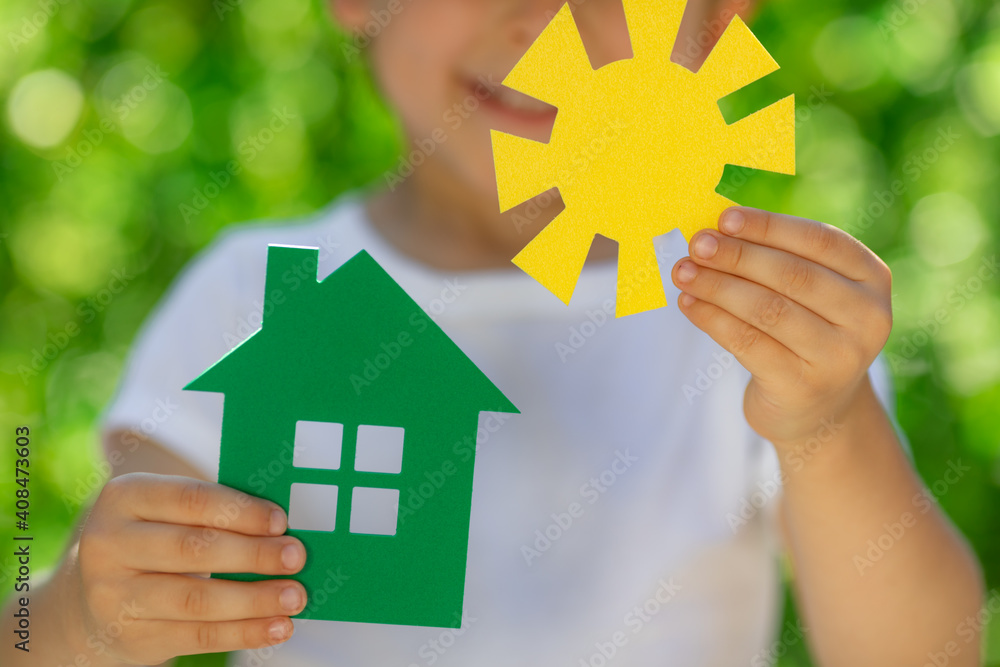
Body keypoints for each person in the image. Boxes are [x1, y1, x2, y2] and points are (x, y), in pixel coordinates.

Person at [2, 1, 984, 666]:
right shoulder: (260, 294)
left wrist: (826, 426)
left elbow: (923, 650)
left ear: (717, 18)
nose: (541, 24)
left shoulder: (747, 319)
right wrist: (85, 613)